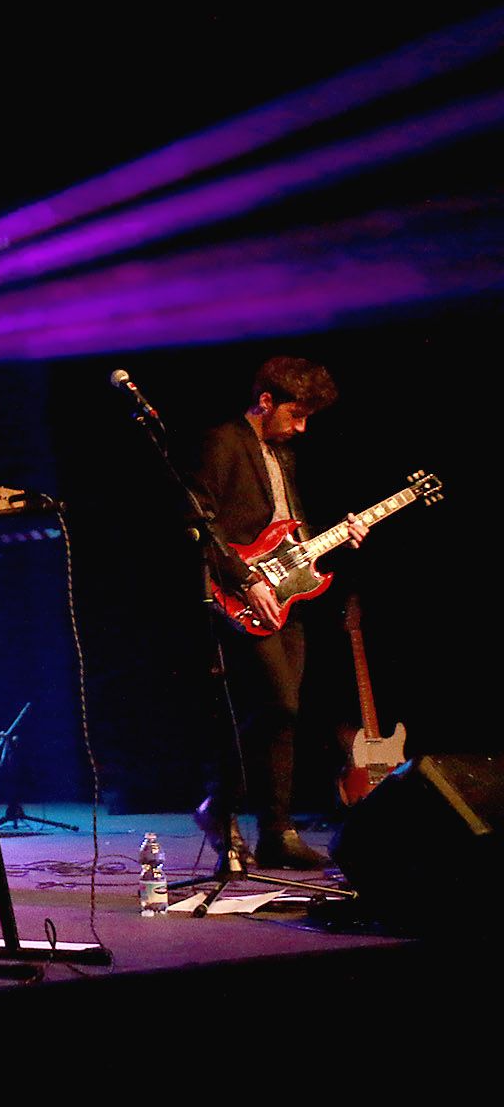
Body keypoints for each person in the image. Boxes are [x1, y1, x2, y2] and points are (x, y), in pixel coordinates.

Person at [193, 355, 367, 869]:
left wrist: (337, 540)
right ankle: (223, 807)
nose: (302, 427)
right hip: (242, 593)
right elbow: (200, 521)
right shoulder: (223, 442)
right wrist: (245, 581)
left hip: (287, 594)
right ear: (266, 401)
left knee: (281, 714)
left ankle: (273, 831)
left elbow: (289, 529)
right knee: (275, 706)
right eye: (296, 414)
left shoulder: (282, 454)